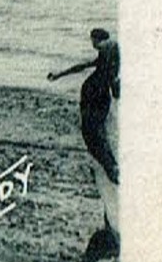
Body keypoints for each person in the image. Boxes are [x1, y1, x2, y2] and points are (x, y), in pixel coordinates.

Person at [49, 28, 120, 236]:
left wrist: (59, 74)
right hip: (97, 99)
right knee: (98, 142)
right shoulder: (109, 53)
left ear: (97, 39)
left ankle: (112, 171)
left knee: (96, 141)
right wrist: (60, 74)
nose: (92, 43)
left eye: (93, 40)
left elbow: (103, 72)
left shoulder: (109, 49)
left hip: (95, 100)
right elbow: (89, 67)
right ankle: (112, 171)